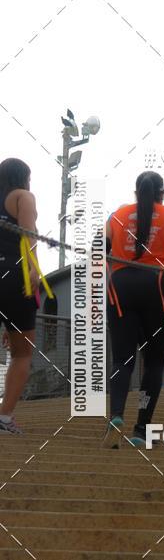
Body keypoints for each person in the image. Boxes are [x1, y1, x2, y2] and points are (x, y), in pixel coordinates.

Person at [104, 171, 164, 448]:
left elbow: (98, 252)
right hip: (156, 286)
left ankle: (116, 415)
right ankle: (141, 428)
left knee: (121, 359)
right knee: (154, 362)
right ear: (162, 194)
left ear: (136, 193)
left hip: (120, 285)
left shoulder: (116, 216)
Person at [0, 159, 40, 434]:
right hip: (15, 277)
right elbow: (29, 235)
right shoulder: (23, 196)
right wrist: (34, 271)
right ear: (23, 177)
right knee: (22, 353)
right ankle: (4, 418)